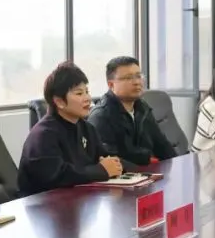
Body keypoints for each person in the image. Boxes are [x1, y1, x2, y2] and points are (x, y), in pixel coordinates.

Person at [18, 62, 134, 196]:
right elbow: (58, 176)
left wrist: (116, 166)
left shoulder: (87, 128)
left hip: (79, 200)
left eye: (87, 92)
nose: (87, 98)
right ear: (59, 101)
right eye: (79, 93)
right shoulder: (43, 135)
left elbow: (105, 158)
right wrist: (101, 170)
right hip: (44, 204)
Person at [87, 56, 177, 166]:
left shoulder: (142, 108)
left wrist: (178, 164)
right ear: (111, 85)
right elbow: (111, 160)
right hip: (124, 175)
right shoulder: (101, 116)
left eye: (138, 76)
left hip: (147, 172)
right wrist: (148, 159)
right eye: (128, 78)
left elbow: (163, 145)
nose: (137, 82)